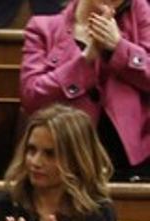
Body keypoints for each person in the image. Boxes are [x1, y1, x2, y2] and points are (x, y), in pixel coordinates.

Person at [19, 0, 150, 181]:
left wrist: (119, 48)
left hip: (131, 163)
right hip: (62, 161)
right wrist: (85, 61)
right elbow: (32, 96)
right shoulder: (44, 28)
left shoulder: (141, 17)